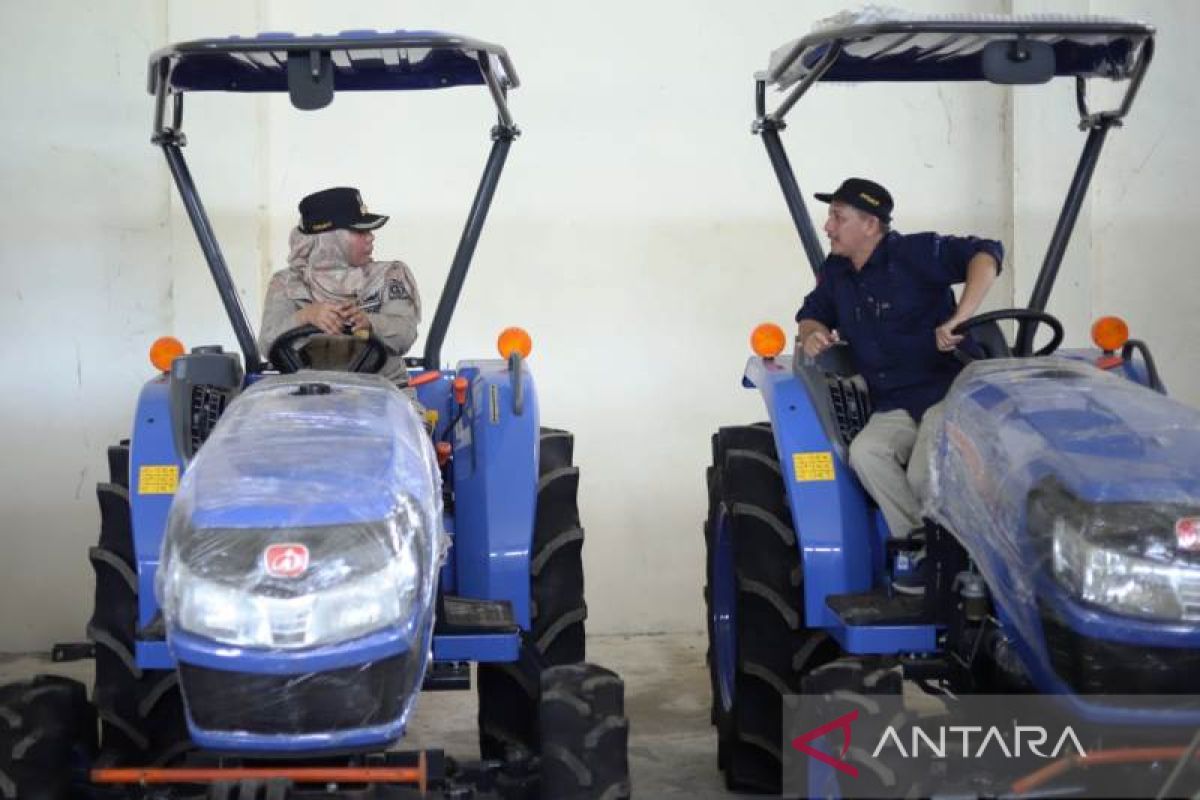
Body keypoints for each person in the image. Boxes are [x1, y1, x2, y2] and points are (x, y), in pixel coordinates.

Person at [795, 178, 1001, 592]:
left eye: (838, 216)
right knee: (865, 453)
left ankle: (962, 557)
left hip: (949, 393)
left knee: (926, 474)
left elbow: (986, 253)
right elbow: (809, 315)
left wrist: (960, 316)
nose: (828, 226)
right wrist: (813, 333)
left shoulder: (916, 253)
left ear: (871, 224)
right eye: (830, 215)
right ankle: (919, 548)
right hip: (894, 402)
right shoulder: (836, 274)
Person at [259, 186, 421, 384]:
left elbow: (406, 334)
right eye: (359, 231)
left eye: (369, 230)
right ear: (330, 240)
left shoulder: (389, 276)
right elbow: (267, 343)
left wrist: (369, 323)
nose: (371, 236)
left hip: (384, 395)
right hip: (305, 397)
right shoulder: (287, 283)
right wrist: (305, 316)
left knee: (411, 416)